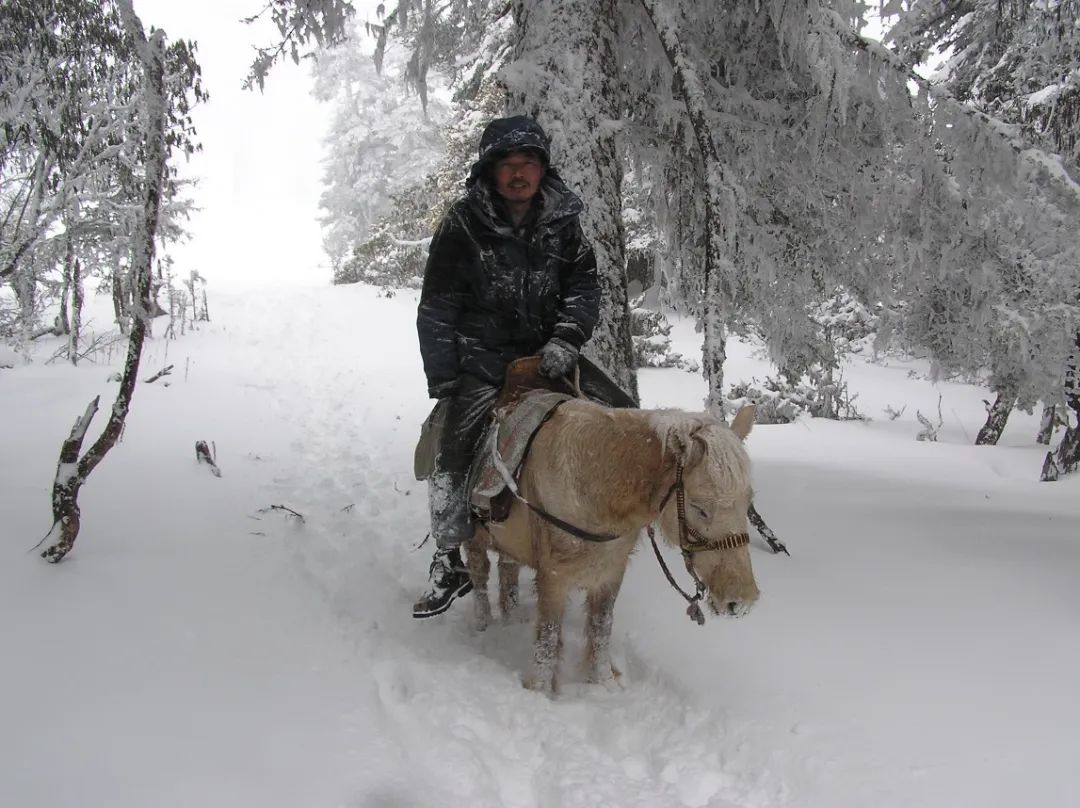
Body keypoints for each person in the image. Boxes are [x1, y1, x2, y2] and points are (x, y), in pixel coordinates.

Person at [412, 114, 606, 618]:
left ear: (543, 169)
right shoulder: (461, 224)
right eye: (508, 165)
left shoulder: (564, 222)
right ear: (489, 172)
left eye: (528, 164)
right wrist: (447, 378)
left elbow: (585, 287)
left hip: (549, 357)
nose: (518, 174)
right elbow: (437, 306)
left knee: (622, 416)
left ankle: (610, 528)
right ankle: (448, 556)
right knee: (453, 450)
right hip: (483, 360)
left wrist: (567, 337)